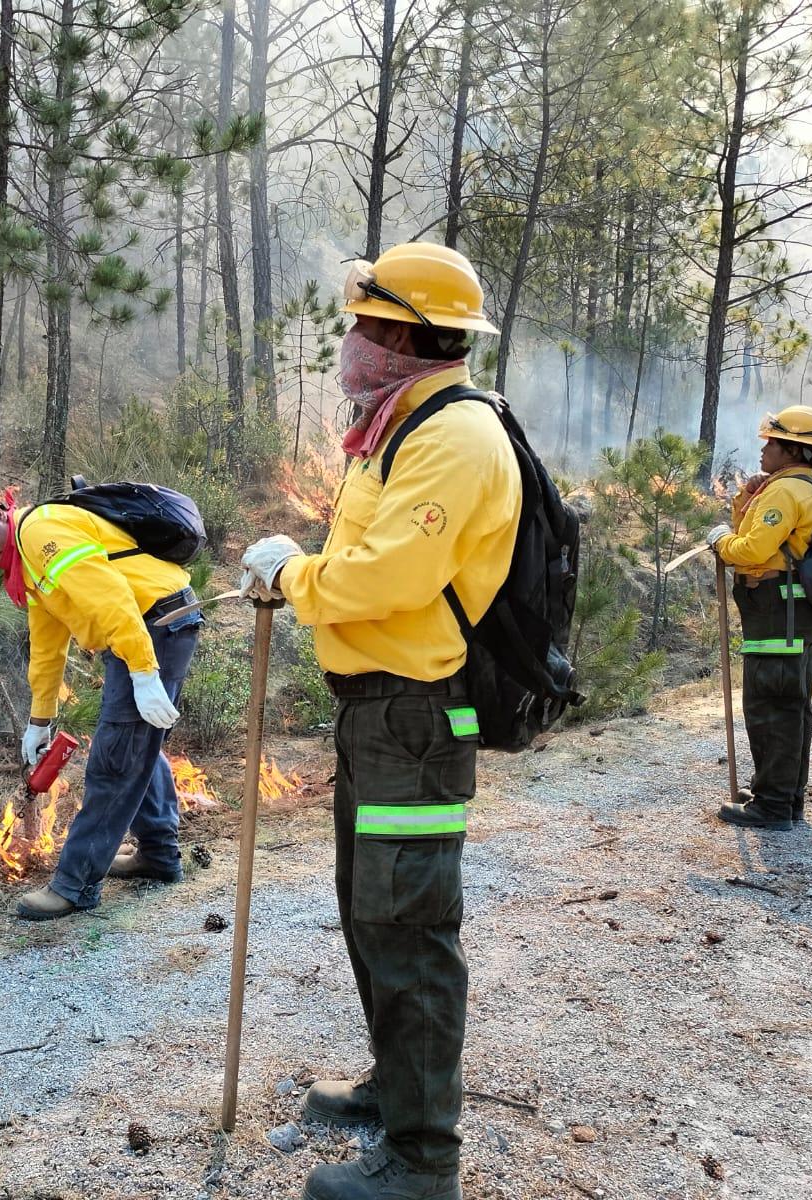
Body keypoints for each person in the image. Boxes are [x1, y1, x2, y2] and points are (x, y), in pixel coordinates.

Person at [238, 243, 522, 1200]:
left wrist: (293, 576)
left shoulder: (456, 436)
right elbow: (368, 551)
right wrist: (304, 566)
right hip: (375, 715)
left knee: (409, 929)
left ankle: (422, 1162)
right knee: (373, 914)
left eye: (366, 322)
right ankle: (392, 1090)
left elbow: (392, 578)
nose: (352, 341)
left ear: (408, 333)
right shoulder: (399, 421)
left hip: (416, 717)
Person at [0, 484, 203, 919]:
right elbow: (47, 645)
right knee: (134, 745)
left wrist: (144, 670)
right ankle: (158, 855)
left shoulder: (40, 533)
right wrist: (40, 720)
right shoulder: (29, 565)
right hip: (144, 627)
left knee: (115, 759)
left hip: (155, 623)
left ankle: (75, 886)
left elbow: (109, 594)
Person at [704, 406, 812, 832]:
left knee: (771, 705)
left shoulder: (786, 494)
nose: (763, 448)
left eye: (771, 442)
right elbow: (759, 534)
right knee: (791, 705)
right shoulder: (797, 488)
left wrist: (720, 542)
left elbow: (750, 550)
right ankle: (784, 796)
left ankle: (773, 805)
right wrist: (748, 495)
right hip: (793, 614)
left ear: (791, 449)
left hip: (777, 614)